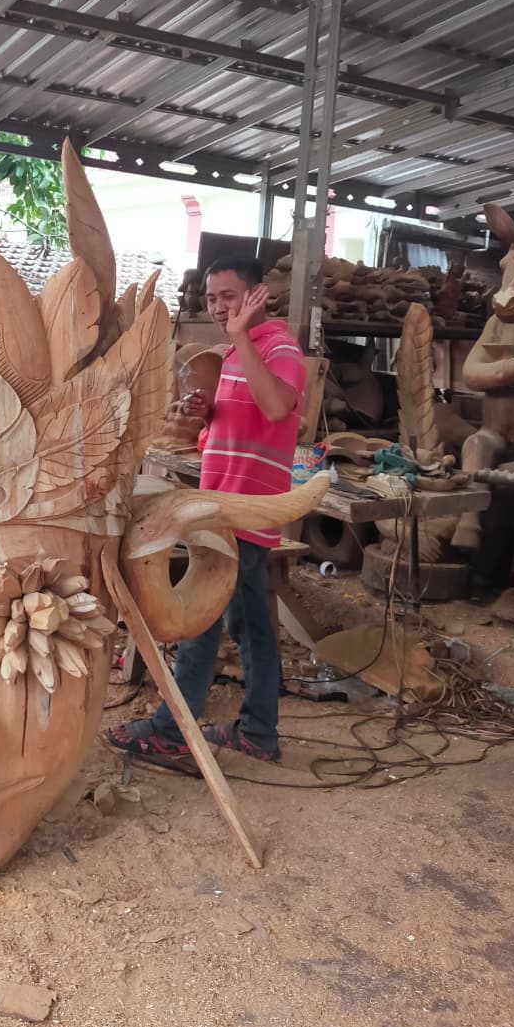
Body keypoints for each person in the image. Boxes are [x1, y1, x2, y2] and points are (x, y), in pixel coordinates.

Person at [106, 255, 305, 766]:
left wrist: (240, 337)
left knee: (199, 618)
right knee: (250, 626)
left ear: (257, 296)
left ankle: (172, 732)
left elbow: (278, 408)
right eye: (212, 298)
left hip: (241, 510)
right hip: (221, 505)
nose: (218, 307)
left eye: (229, 297)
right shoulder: (238, 353)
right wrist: (207, 414)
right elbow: (244, 421)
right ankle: (258, 732)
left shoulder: (278, 348)